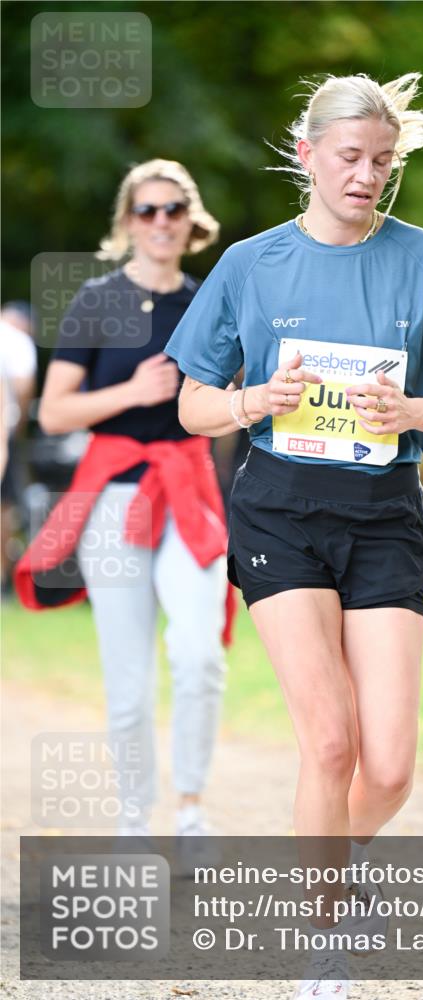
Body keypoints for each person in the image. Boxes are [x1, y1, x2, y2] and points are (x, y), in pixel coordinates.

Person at [165, 73, 423, 998]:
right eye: (350, 157)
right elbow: (191, 403)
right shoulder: (251, 264)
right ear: (307, 154)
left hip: (386, 512)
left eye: (382, 162)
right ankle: (323, 948)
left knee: (388, 767)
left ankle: (331, 860)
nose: (366, 176)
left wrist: (420, 411)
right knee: (330, 743)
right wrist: (250, 400)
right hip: (279, 507)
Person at [17, 159, 235, 840]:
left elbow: (229, 408)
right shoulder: (97, 300)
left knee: (198, 654)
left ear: (192, 221)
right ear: (128, 222)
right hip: (114, 497)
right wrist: (134, 392)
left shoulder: (210, 302)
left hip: (188, 490)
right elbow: (53, 412)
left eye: (173, 209)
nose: (161, 221)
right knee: (128, 673)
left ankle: (191, 809)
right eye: (147, 210)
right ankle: (133, 815)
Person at [0, 302, 37, 597]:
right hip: (5, 431)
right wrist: (18, 428)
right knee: (5, 504)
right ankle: (3, 577)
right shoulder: (19, 341)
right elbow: (23, 388)